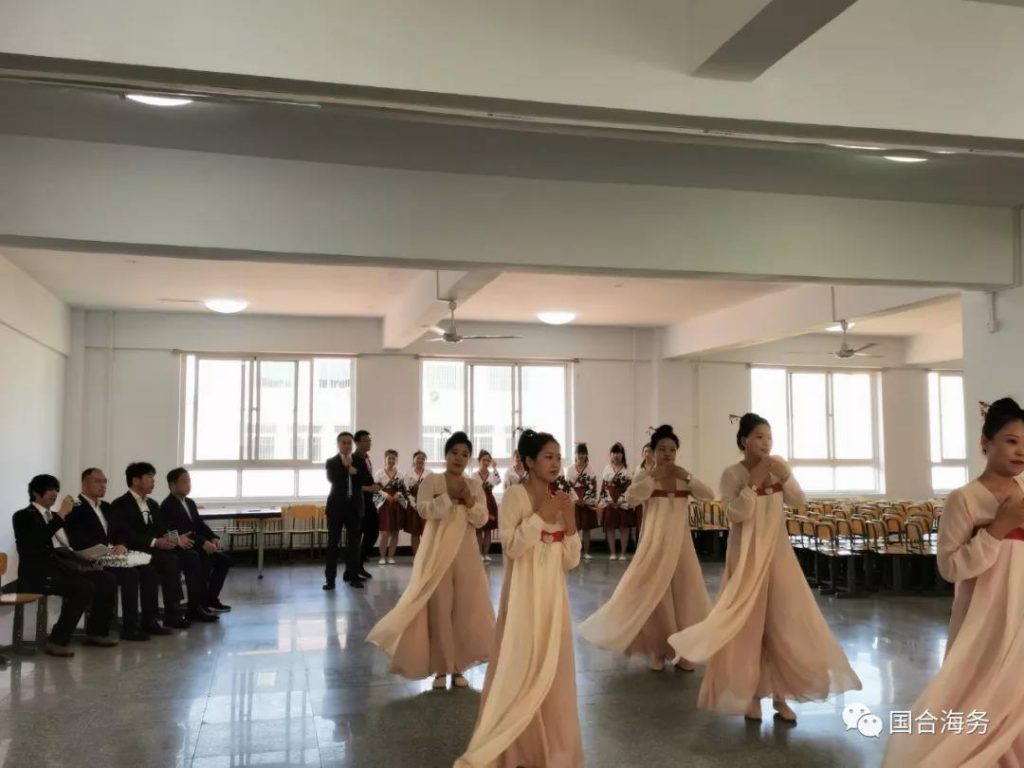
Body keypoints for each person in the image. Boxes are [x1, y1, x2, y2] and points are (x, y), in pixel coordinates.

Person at [669, 413, 861, 723]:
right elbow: (735, 514)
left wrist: (786, 477)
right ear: (744, 440)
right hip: (746, 558)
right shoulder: (732, 474)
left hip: (778, 556)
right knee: (750, 628)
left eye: (769, 437)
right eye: (759, 437)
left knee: (782, 624)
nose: (765, 443)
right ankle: (752, 696)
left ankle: (781, 696)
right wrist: (753, 483)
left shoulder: (778, 467)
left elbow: (798, 501)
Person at [883, 398, 1024, 766]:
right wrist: (997, 528)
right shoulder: (965, 500)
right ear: (986, 443)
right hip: (983, 621)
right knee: (977, 698)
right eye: (1011, 441)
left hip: (1020, 620)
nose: (1021, 451)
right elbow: (951, 567)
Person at [455, 429, 583, 767]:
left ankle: (549, 746)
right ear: (529, 461)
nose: (555, 463)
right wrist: (542, 516)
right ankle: (515, 746)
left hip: (554, 597)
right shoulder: (514, 496)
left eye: (558, 457)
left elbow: (571, 560)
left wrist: (570, 523)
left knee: (553, 668)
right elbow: (512, 547)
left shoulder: (560, 499)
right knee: (521, 663)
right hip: (524, 595)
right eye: (548, 457)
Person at [367, 431, 494, 690]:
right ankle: (441, 668)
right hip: (437, 553)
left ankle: (457, 667)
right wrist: (448, 498)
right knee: (439, 609)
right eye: (454, 453)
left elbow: (481, 519)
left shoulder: (473, 485)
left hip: (466, 555)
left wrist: (469, 500)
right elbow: (423, 510)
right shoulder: (432, 481)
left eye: (465, 454)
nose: (459, 458)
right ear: (446, 455)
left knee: (464, 609)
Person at [580, 425, 714, 671]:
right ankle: (658, 650)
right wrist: (653, 477)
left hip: (682, 547)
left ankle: (682, 651)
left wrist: (687, 477)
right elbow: (632, 498)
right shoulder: (645, 476)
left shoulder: (683, 477)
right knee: (656, 598)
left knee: (684, 597)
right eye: (662, 449)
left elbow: (708, 495)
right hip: (655, 545)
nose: (667, 454)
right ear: (652, 452)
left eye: (672, 449)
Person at [12, 474, 119, 655]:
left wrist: (88, 553)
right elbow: (36, 541)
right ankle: (57, 640)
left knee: (107, 579)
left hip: (65, 566)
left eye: (56, 490)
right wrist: (61, 515)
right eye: (50, 489)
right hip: (38, 573)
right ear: (36, 493)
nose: (54, 494)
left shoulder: (56, 516)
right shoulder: (23, 516)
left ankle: (96, 633)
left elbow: (70, 542)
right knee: (82, 587)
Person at [108, 462, 219, 626]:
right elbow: (123, 534)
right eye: (149, 477)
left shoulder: (152, 504)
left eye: (153, 478)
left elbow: (162, 529)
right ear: (136, 481)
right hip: (136, 550)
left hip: (156, 549)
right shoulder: (120, 504)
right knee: (170, 560)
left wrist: (176, 539)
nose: (153, 481)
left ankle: (194, 607)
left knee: (191, 556)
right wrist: (155, 542)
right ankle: (171, 614)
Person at [64, 467, 166, 640]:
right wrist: (105, 548)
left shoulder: (107, 506)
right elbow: (77, 539)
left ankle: (150, 621)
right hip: (92, 559)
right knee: (130, 574)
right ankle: (130, 627)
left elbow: (120, 531)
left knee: (149, 570)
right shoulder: (75, 508)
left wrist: (121, 544)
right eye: (98, 481)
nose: (103, 485)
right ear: (84, 483)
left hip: (113, 557)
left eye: (105, 482)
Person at [160, 468, 232, 612]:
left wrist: (213, 537)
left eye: (189, 481)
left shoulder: (190, 502)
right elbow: (182, 531)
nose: (188, 484)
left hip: (198, 544)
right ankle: (200, 604)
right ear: (172, 485)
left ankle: (211, 599)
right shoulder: (168, 505)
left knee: (224, 561)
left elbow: (199, 524)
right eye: (184, 481)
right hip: (185, 547)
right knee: (204, 562)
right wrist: (203, 542)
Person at [324, 432, 366, 590]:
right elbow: (333, 479)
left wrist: (356, 471)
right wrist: (347, 467)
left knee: (354, 544)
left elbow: (365, 480)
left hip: (354, 508)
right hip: (336, 508)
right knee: (332, 544)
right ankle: (330, 579)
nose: (347, 445)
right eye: (344, 443)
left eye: (349, 443)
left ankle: (353, 576)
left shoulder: (359, 460)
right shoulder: (331, 462)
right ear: (338, 444)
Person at [598, 443, 633, 561]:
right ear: (610, 455)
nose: (616, 455)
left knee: (624, 527)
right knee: (610, 527)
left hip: (623, 501)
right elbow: (604, 487)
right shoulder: (607, 468)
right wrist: (610, 501)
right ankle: (612, 553)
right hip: (609, 501)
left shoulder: (627, 469)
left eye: (618, 452)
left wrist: (620, 500)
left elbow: (630, 488)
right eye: (614, 452)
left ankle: (623, 553)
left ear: (623, 455)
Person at [354, 430, 382, 572]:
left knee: (373, 532)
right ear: (357, 442)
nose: (369, 442)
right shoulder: (353, 459)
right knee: (356, 536)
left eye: (369, 440)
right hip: (357, 503)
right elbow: (352, 485)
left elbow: (367, 478)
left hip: (369, 502)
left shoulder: (366, 458)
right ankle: (352, 570)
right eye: (365, 440)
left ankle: (359, 565)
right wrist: (369, 488)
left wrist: (375, 486)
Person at [373, 449, 407, 565]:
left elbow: (403, 489)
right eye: (389, 458)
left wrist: (398, 494)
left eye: (394, 458)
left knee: (395, 532)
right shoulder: (379, 473)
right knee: (385, 532)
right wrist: (385, 495)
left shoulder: (400, 474)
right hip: (384, 504)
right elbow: (376, 488)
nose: (391, 460)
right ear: (385, 459)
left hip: (396, 504)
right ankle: (382, 557)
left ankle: (391, 556)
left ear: (396, 460)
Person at [567, 442, 598, 560]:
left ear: (586, 455)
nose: (581, 456)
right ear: (575, 454)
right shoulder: (570, 469)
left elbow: (593, 486)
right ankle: (575, 552)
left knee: (586, 527)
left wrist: (586, 500)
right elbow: (568, 487)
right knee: (575, 527)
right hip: (574, 501)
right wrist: (576, 500)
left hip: (586, 501)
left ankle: (586, 552)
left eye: (583, 453)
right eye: (579, 453)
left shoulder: (590, 469)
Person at [474, 450, 501, 562]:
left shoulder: (493, 474)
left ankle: (485, 554)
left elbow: (498, 480)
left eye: (488, 460)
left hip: (490, 503)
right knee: (479, 530)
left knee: (488, 530)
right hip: (479, 503)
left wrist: (495, 468)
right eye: (484, 460)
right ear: (479, 461)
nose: (486, 462)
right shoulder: (474, 475)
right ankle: (479, 554)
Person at [403, 450, 432, 555]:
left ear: (425, 461)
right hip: (413, 506)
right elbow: (406, 491)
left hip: (426, 506)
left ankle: (426, 557)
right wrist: (414, 504)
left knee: (427, 532)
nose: (420, 460)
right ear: (413, 460)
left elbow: (433, 490)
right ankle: (417, 557)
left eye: (422, 458)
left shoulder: (429, 473)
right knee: (415, 532)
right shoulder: (408, 474)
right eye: (418, 458)